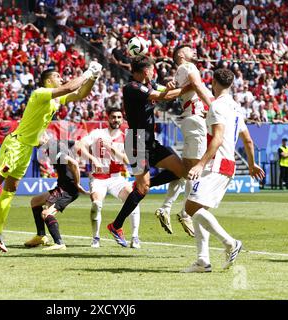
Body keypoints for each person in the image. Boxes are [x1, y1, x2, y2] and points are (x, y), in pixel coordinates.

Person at [0, 62, 103, 252]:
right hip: (15, 145)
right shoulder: (40, 93)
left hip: (27, 149)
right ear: (49, 80)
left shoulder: (56, 100)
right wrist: (88, 71)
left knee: (11, 189)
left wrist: (93, 78)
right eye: (57, 76)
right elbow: (70, 87)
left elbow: (80, 94)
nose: (61, 78)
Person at [182, 68, 265, 273]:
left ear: (214, 83)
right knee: (200, 211)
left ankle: (230, 243)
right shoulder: (236, 108)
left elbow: (218, 139)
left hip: (216, 164)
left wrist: (200, 163)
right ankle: (203, 261)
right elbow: (248, 140)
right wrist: (252, 164)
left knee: (190, 208)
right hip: (229, 164)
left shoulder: (217, 106)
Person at [106, 56, 190, 247]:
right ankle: (116, 225)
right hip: (135, 142)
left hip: (150, 142)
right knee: (142, 189)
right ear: (146, 71)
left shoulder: (150, 83)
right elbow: (162, 96)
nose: (154, 73)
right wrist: (189, 87)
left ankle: (144, 185)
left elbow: (164, 90)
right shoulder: (132, 88)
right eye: (152, 70)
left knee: (182, 171)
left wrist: (171, 85)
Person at [153, 44, 215, 236]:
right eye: (190, 50)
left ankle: (166, 207)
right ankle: (186, 213)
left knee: (186, 171)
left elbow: (179, 90)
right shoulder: (188, 67)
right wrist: (214, 106)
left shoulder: (180, 72)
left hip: (191, 120)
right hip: (196, 120)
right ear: (181, 55)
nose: (194, 52)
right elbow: (196, 85)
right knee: (198, 171)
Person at [77, 107, 141, 249]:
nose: (116, 120)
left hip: (116, 178)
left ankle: (135, 237)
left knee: (134, 199)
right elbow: (79, 145)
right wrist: (93, 158)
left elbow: (128, 161)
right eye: (113, 117)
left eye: (119, 117)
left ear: (122, 119)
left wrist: (112, 148)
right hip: (98, 178)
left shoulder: (125, 137)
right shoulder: (97, 133)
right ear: (108, 118)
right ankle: (96, 238)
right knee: (96, 205)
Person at [24, 140, 88, 250]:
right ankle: (41, 236)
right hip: (62, 186)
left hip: (68, 189)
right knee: (35, 201)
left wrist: (77, 184)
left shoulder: (54, 148)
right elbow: (76, 143)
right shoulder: (54, 146)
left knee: (46, 213)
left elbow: (73, 163)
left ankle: (59, 243)